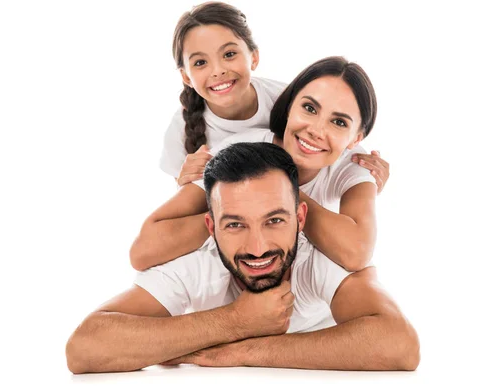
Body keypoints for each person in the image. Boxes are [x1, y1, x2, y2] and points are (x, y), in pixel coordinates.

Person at [66, 142, 419, 373]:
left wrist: (241, 349)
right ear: (211, 226)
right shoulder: (198, 262)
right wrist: (233, 321)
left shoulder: (321, 256)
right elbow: (85, 347)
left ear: (301, 218)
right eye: (235, 224)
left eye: (275, 220)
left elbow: (399, 343)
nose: (257, 247)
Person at [132, 56, 383, 272]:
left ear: (356, 138)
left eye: (339, 122)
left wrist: (279, 194)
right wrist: (233, 217)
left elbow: (356, 254)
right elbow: (143, 251)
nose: (316, 130)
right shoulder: (240, 149)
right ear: (289, 106)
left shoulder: (357, 166)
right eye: (309, 108)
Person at [161, 1, 389, 189]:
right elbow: (187, 199)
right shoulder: (180, 128)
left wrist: (369, 171)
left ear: (254, 58)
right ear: (186, 77)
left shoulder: (288, 100)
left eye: (229, 54)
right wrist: (185, 180)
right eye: (200, 62)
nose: (218, 70)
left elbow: (335, 137)